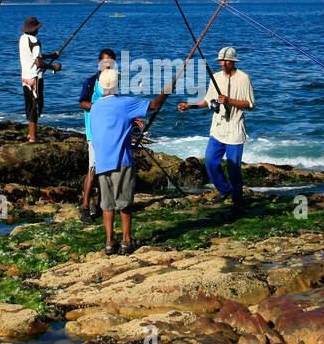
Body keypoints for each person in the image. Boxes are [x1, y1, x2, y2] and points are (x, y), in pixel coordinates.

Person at [89, 67, 169, 254]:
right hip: (121, 160)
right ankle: (125, 241)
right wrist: (166, 91)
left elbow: (107, 127)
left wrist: (129, 123)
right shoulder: (124, 103)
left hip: (102, 162)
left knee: (107, 205)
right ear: (117, 85)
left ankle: (109, 242)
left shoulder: (95, 107)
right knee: (124, 203)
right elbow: (154, 105)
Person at [178, 46, 255, 216]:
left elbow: (250, 105)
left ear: (233, 62)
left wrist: (229, 100)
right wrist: (190, 106)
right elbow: (208, 100)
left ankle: (238, 200)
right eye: (220, 60)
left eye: (225, 60)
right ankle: (224, 189)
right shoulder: (216, 77)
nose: (222, 63)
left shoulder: (244, 78)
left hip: (235, 129)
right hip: (218, 128)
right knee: (210, 162)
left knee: (233, 168)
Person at [78, 48, 118, 222]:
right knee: (93, 168)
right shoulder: (91, 81)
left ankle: (100, 204)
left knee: (106, 168)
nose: (108, 65)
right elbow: (82, 103)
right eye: (105, 62)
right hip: (94, 131)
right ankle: (85, 207)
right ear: (99, 63)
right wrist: (99, 107)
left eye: (111, 62)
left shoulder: (114, 82)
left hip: (109, 131)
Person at [19, 16, 61, 142]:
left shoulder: (22, 39)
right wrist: (53, 66)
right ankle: (32, 136)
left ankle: (30, 134)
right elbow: (38, 62)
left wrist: (52, 56)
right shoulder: (35, 41)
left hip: (25, 77)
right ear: (35, 29)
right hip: (35, 78)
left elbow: (34, 56)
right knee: (36, 105)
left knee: (29, 104)